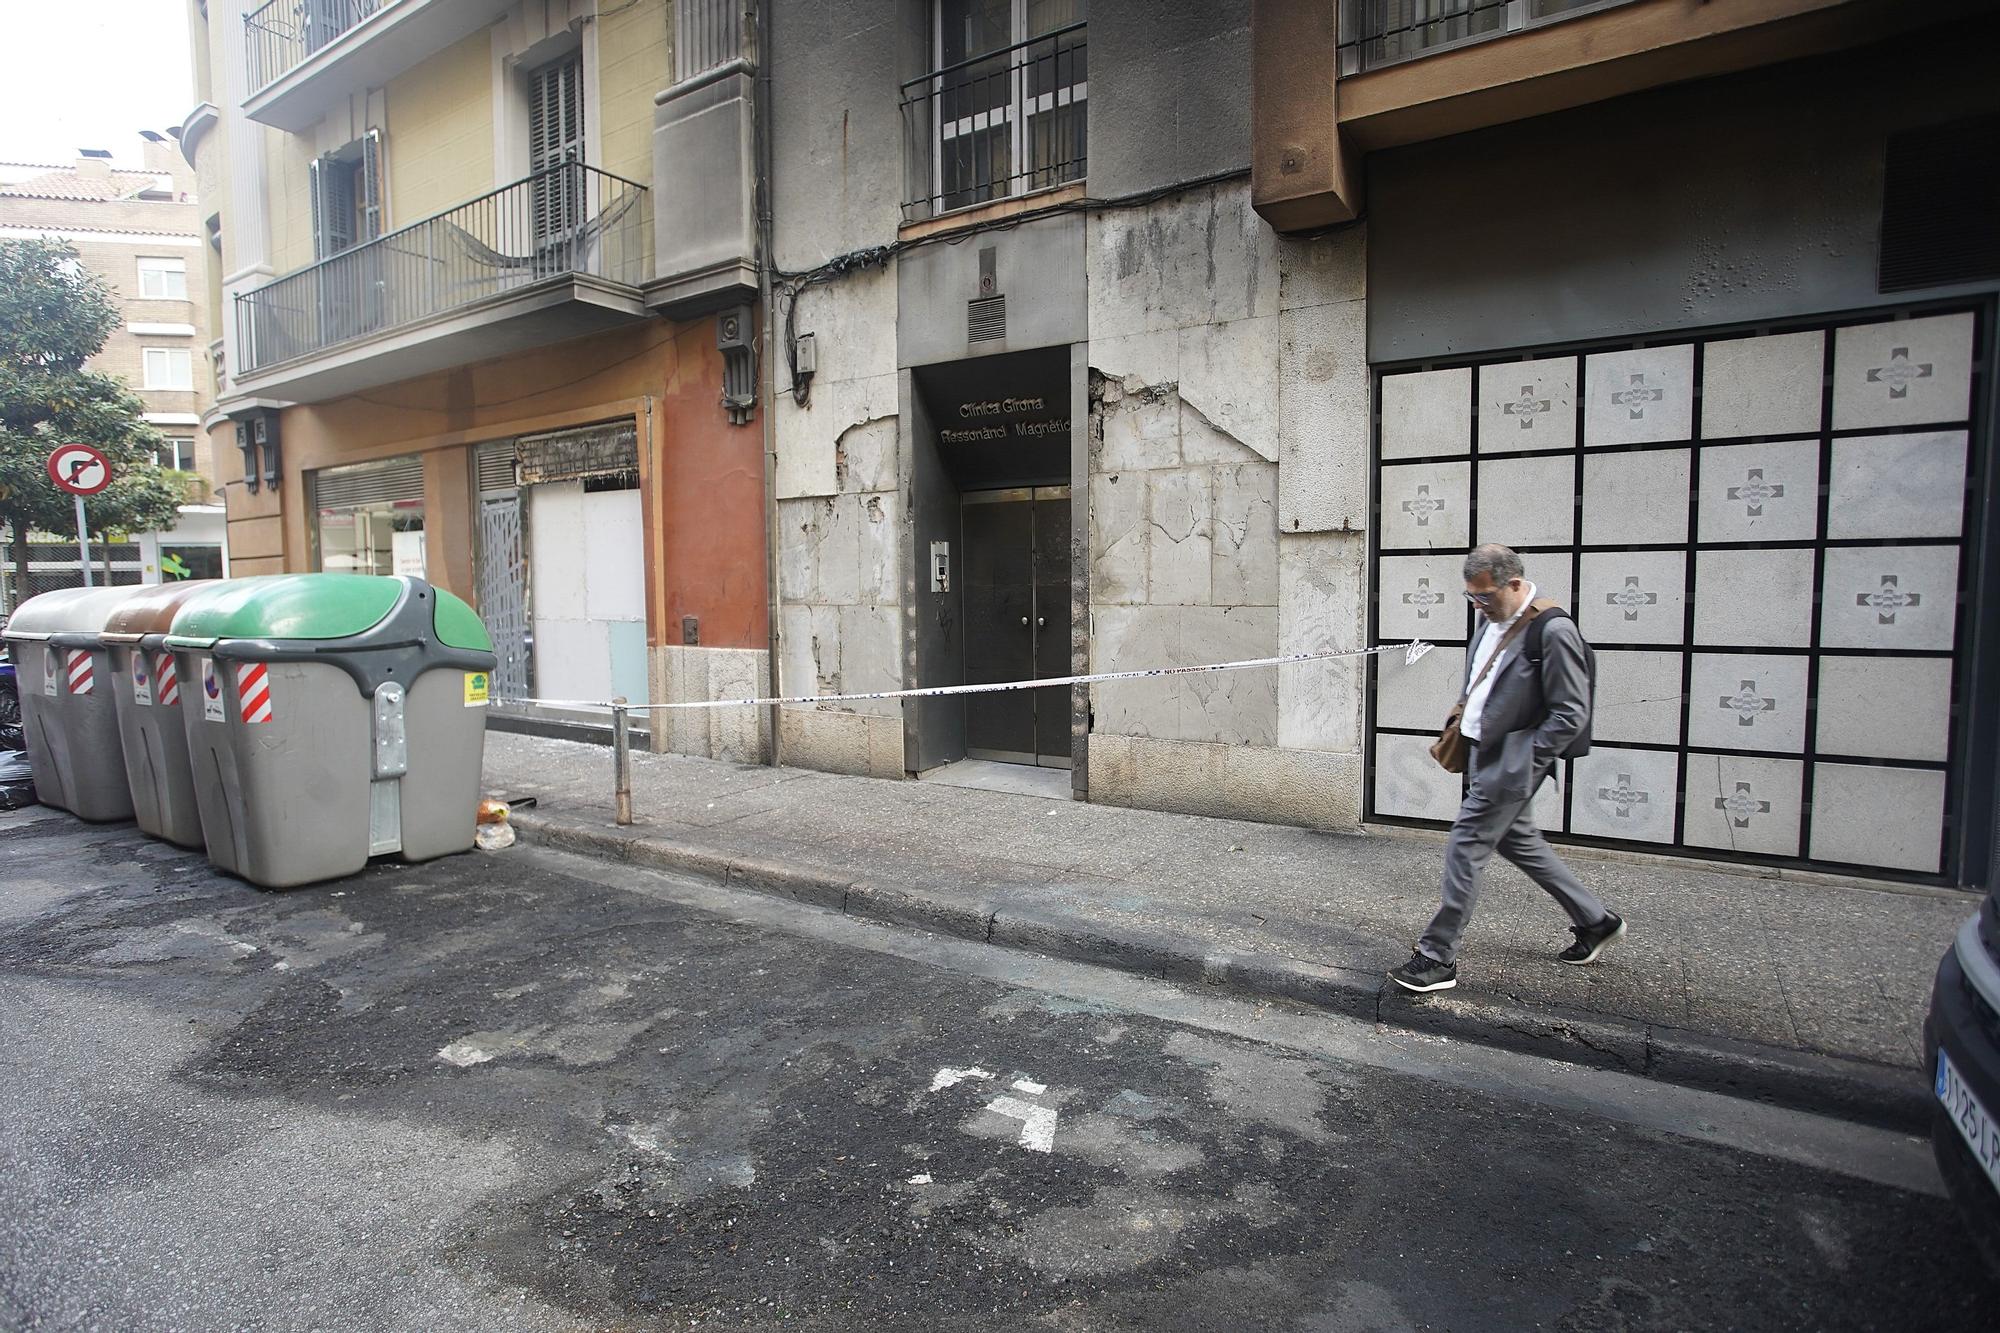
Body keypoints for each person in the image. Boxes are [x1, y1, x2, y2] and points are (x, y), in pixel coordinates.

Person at [1389, 544, 1624, 994]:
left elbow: (1571, 713)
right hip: (1481, 752)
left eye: (1485, 597)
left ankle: (1437, 958)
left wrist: (1525, 760)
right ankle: (1597, 921)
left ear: (1514, 584)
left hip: (1513, 762)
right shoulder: (1490, 622)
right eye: (1471, 598)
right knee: (1521, 844)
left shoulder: (1553, 632)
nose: (1478, 606)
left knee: (1466, 844)